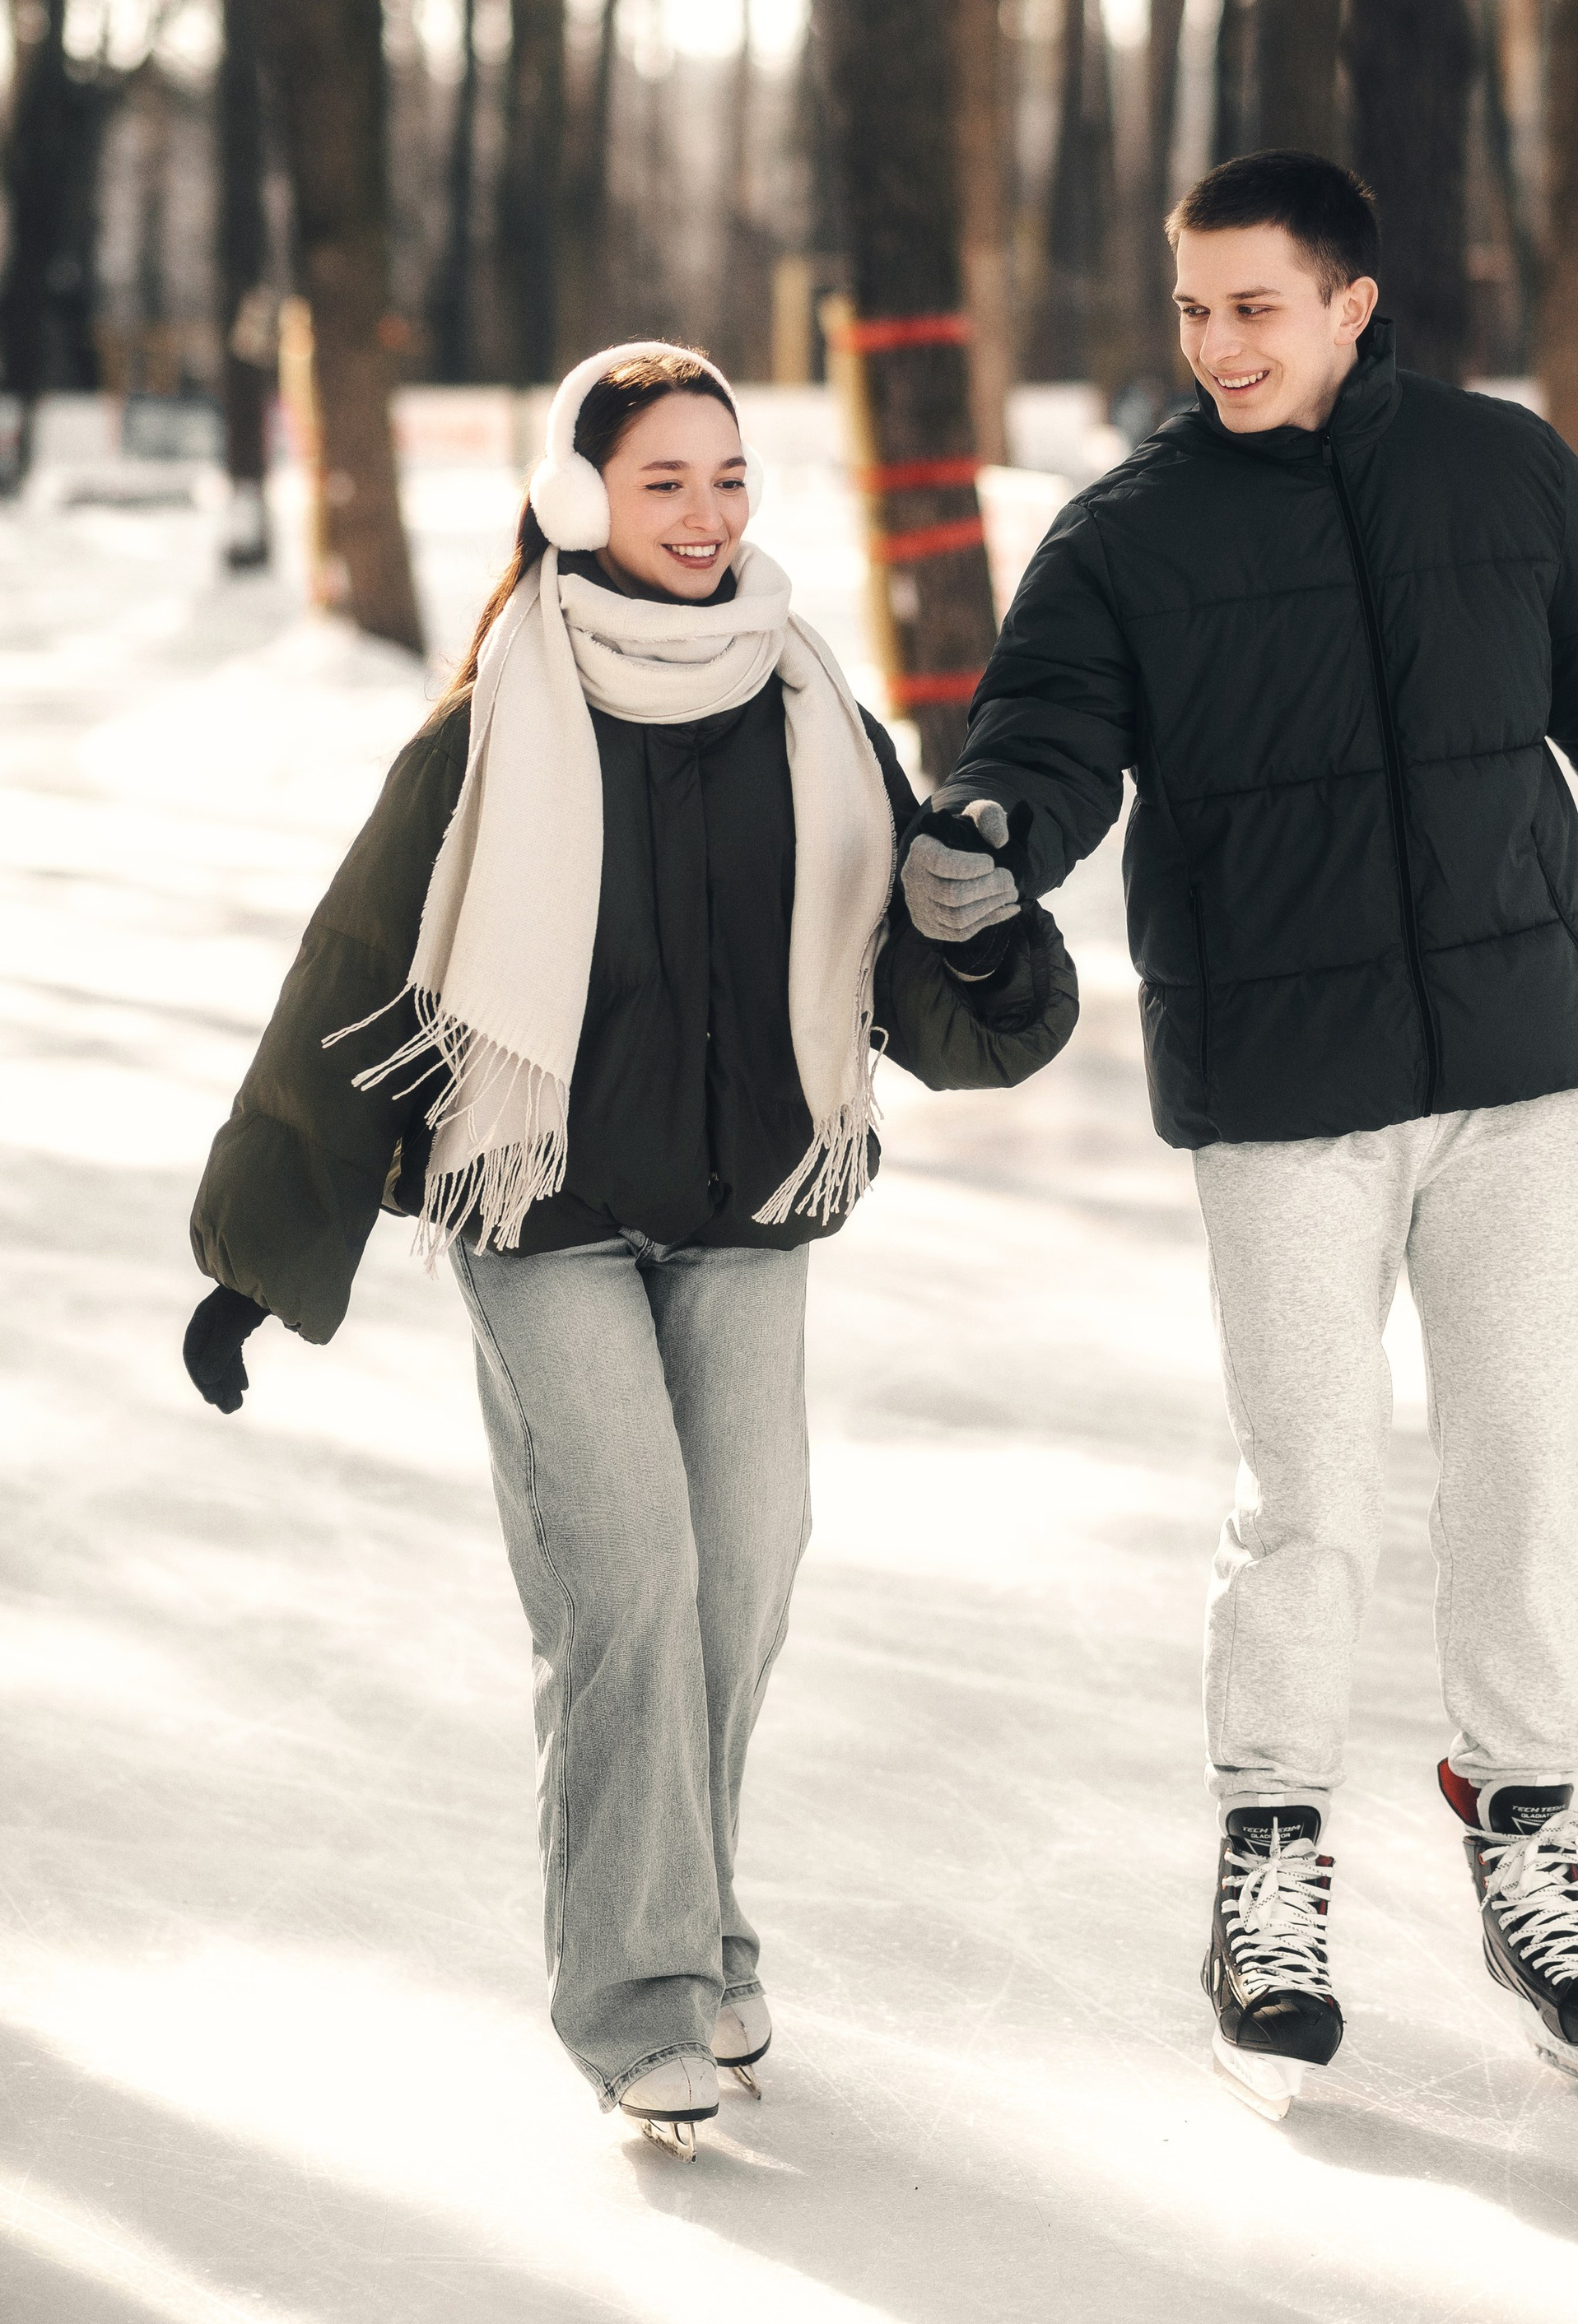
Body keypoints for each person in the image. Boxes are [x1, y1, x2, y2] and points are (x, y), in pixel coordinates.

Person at [903, 156, 1578, 2119]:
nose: (1215, 344)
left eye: (1253, 305)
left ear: (1352, 303)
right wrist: (991, 838)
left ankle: (1526, 1839)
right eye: (1190, 310)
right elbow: (1043, 741)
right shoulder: (1124, 538)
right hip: (1279, 1094)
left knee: (1519, 1465)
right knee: (1309, 1498)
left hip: (1517, 1073)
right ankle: (1266, 1861)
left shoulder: (1500, 481)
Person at [185, 342, 1078, 2158]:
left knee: (738, 1574)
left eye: (728, 477)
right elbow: (356, 982)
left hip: (749, 1211)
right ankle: (638, 1996)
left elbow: (911, 987)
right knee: (632, 1591)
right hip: (548, 1218)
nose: (705, 514)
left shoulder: (812, 707)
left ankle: (701, 1930)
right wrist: (258, 1253)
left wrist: (983, 949)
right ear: (581, 499)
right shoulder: (494, 724)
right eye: (662, 480)